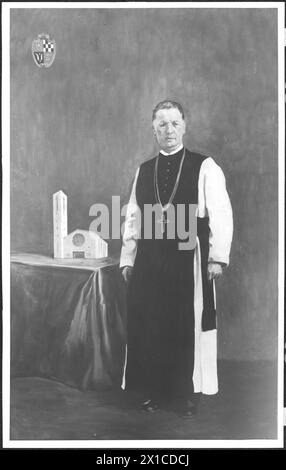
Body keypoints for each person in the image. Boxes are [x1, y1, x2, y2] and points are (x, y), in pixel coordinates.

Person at [120, 100, 233, 418]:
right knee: (153, 323)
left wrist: (217, 257)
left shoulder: (205, 165)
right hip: (152, 256)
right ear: (153, 129)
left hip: (189, 256)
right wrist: (128, 258)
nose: (168, 130)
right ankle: (158, 390)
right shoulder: (143, 169)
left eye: (174, 124)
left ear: (184, 126)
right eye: (161, 124)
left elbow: (221, 214)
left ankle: (186, 393)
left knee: (185, 322)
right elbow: (133, 216)